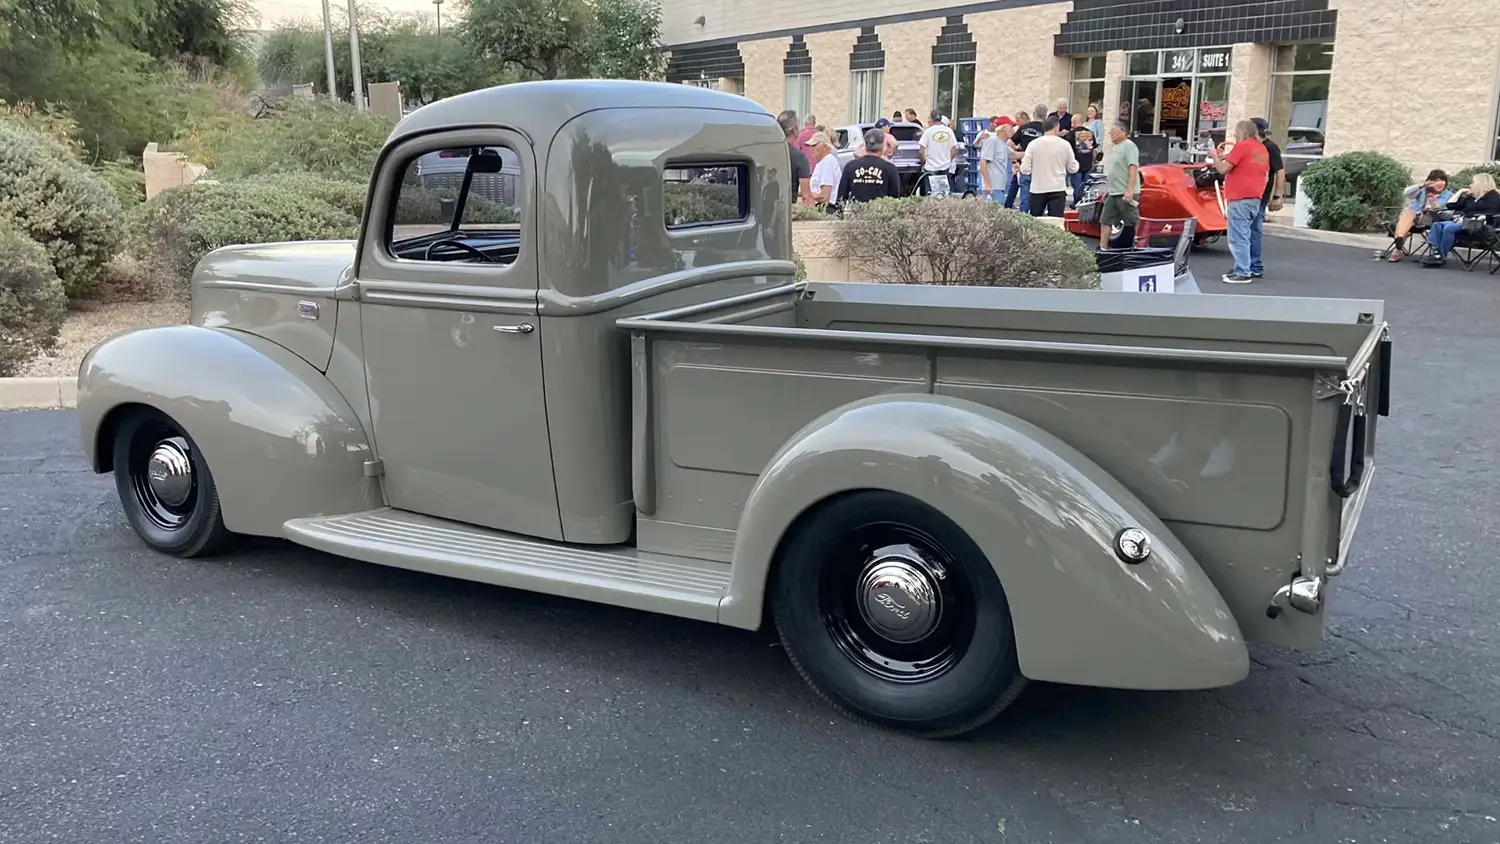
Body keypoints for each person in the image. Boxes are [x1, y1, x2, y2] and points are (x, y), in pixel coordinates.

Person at [1207, 119, 1271, 283]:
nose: (1235, 136)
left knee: (1238, 237)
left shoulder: (1242, 146)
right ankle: (1244, 267)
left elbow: (1222, 169)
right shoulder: (1262, 149)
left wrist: (1214, 156)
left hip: (1240, 197)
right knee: (1247, 234)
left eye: (1236, 133)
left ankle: (1242, 272)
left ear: (1242, 132)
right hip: (1255, 197)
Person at [1420, 173, 1500, 268]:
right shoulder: (1471, 197)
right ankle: (1437, 254)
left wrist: (1471, 219)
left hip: (1479, 225)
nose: (1470, 185)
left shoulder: (1493, 197)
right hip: (1463, 223)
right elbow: (1449, 205)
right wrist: (1460, 191)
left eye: (1473, 182)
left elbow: (1492, 214)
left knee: (1449, 227)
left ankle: (1441, 256)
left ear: (1481, 183)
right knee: (1437, 225)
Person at [1020, 116, 1078, 217]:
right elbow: (1072, 168)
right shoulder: (1065, 144)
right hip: (1057, 188)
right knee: (1056, 223)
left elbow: (1025, 169)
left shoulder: (1033, 144)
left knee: (1035, 221)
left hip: (1038, 188)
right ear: (1056, 127)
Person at [1389, 170, 1452, 262]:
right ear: (1430, 182)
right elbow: (1406, 193)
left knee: (1407, 217)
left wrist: (1435, 207)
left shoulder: (1448, 195)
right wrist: (1421, 185)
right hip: (1413, 217)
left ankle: (1398, 247)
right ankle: (1400, 239)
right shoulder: (1422, 190)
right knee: (1409, 212)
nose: (1440, 183)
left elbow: (1448, 213)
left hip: (1429, 219)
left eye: (1442, 180)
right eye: (1436, 181)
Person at [1250, 117, 1285, 279]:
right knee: (1248, 231)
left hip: (1261, 196)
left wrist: (1277, 196)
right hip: (1251, 194)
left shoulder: (1270, 148)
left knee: (1254, 230)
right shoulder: (1253, 147)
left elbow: (1279, 171)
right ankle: (1249, 264)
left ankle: (1255, 265)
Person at [1099, 121, 1140, 249]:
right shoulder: (1115, 148)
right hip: (1113, 192)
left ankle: (1138, 247)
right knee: (1106, 219)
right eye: (1110, 132)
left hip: (1124, 191)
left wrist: (1129, 190)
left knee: (1132, 220)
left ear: (1124, 132)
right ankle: (1102, 248)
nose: (1112, 134)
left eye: (1114, 132)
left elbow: (1132, 168)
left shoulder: (1129, 146)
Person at [837, 128, 902, 205]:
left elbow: (841, 196)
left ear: (865, 145)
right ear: (882, 146)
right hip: (881, 214)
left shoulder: (850, 166)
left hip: (856, 214)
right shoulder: (890, 169)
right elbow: (895, 197)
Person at [1006, 104, 1048, 211]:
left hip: (1023, 165)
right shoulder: (1047, 130)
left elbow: (1009, 144)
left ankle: (1022, 218)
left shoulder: (1023, 128)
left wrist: (1016, 157)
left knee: (1024, 197)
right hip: (1041, 167)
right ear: (1046, 115)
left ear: (1034, 114)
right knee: (1039, 196)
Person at [917, 108, 962, 196]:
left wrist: (924, 161)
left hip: (931, 167)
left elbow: (921, 150)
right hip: (945, 167)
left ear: (931, 119)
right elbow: (954, 150)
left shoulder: (928, 131)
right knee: (944, 194)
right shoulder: (949, 131)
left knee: (931, 195)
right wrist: (948, 160)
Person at [777, 111, 813, 206]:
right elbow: (806, 196)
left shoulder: (767, 152)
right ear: (794, 130)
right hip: (787, 210)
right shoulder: (799, 157)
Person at [978, 116, 1015, 202]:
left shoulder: (1003, 145)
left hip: (999, 187)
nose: (1013, 130)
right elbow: (983, 162)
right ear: (1004, 128)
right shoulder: (991, 141)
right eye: (1011, 127)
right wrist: (987, 184)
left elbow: (1015, 155)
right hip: (992, 189)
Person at [806, 131, 842, 210]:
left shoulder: (828, 162)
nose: (811, 148)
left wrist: (806, 195)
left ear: (825, 147)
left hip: (826, 209)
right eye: (810, 146)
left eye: (814, 145)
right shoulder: (824, 162)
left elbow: (825, 196)